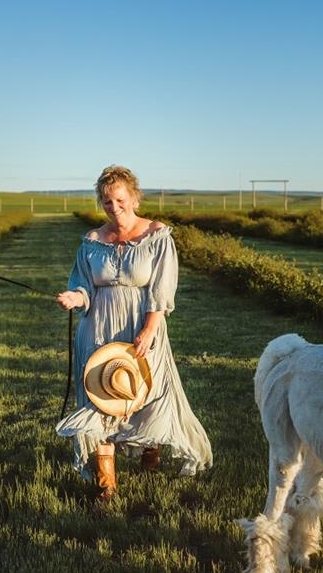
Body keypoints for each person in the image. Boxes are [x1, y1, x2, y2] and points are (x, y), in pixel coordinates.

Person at [55, 165, 213, 500]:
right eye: (107, 202)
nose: (114, 207)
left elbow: (161, 288)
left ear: (134, 198)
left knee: (145, 394)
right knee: (101, 396)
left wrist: (149, 329)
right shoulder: (92, 242)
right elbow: (83, 285)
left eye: (119, 199)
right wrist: (75, 297)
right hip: (97, 330)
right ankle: (106, 487)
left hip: (142, 326)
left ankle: (149, 454)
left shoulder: (156, 237)